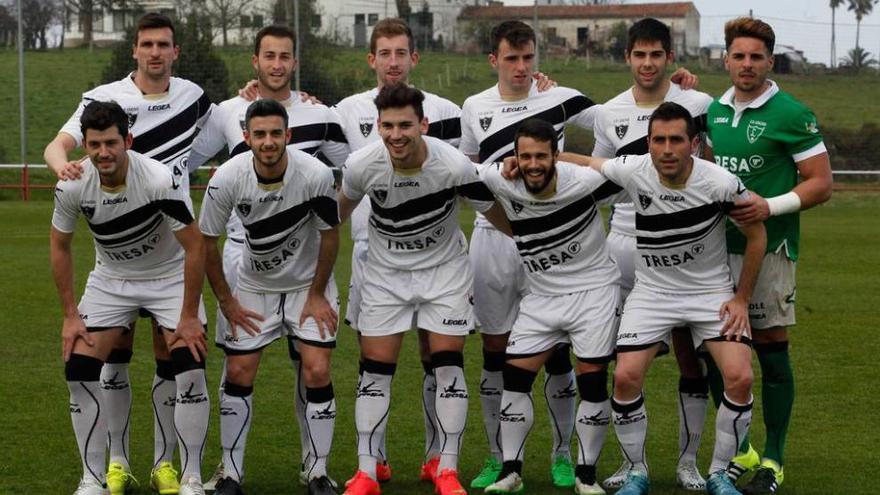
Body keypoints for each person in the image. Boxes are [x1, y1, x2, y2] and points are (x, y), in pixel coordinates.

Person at [43, 13, 213, 495]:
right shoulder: (100, 113)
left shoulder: (183, 124)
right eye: (146, 44)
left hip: (168, 271)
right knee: (83, 364)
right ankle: (98, 476)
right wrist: (70, 315)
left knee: (185, 359)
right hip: (112, 275)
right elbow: (60, 240)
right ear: (134, 49)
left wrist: (188, 316)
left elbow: (196, 243)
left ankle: (184, 473)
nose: (102, 152)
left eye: (164, 44)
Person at [571, 101, 766, 495]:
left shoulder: (720, 182)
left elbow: (757, 234)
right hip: (653, 292)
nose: (667, 149)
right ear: (648, 143)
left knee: (740, 377)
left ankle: (717, 475)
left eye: (676, 140)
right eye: (658, 140)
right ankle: (637, 471)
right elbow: (588, 165)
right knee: (625, 377)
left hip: (709, 293)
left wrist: (741, 298)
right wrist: (535, 157)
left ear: (694, 143)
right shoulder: (635, 169)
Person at [187, 24, 348, 490]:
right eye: (259, 134)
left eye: (276, 134)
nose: (268, 142)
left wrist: (318, 295)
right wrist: (227, 303)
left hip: (303, 286)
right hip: (251, 280)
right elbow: (208, 244)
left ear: (287, 133)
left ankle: (317, 469)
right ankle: (230, 471)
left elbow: (332, 236)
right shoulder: (226, 177)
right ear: (246, 134)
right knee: (239, 369)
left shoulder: (316, 173)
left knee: (316, 367)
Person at [336, 83, 511, 495]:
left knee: (448, 363)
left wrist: (532, 242)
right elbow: (336, 215)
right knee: (376, 371)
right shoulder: (362, 164)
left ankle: (445, 469)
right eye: (387, 126)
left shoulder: (452, 165)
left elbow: (495, 211)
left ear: (424, 125)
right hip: (384, 274)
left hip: (444, 272)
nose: (396, 135)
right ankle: (366, 472)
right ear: (378, 125)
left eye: (405, 125)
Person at [459, 20, 601, 489]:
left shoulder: (560, 98)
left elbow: (622, 118)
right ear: (493, 60)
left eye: (528, 59)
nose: (521, 68)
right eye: (511, 59)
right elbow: (467, 173)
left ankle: (562, 455)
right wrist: (498, 170)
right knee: (496, 350)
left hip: (553, 242)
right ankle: (499, 458)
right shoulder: (474, 106)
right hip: (494, 240)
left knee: (557, 350)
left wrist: (679, 91)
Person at [331, 18, 462, 482]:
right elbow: (318, 160)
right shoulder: (344, 111)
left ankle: (436, 459)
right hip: (373, 252)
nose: (392, 61)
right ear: (371, 59)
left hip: (435, 252)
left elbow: (465, 169)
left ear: (413, 57)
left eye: (400, 53)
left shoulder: (445, 111)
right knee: (373, 360)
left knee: (436, 357)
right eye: (384, 53)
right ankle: (375, 462)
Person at [705, 17, 832, 495]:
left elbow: (822, 183)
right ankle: (740, 452)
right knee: (719, 356)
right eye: (738, 56)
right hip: (715, 254)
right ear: (726, 59)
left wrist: (770, 206)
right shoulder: (713, 112)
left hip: (770, 251)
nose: (746, 64)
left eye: (756, 57)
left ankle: (774, 456)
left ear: (770, 62)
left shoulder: (791, 113)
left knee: (773, 354)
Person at [590, 18, 714, 491]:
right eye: (639, 55)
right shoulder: (609, 112)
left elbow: (715, 169)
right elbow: (601, 179)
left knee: (689, 359)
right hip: (622, 245)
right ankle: (631, 462)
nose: (647, 63)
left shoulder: (698, 104)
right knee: (620, 362)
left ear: (669, 56)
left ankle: (688, 463)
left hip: (684, 248)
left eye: (656, 55)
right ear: (627, 57)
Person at [478, 118, 624, 495]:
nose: (533, 164)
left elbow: (631, 171)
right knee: (514, 376)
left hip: (593, 292)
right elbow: (460, 175)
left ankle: (585, 474)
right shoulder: (500, 179)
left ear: (555, 155)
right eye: (525, 156)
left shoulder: (583, 181)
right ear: (514, 157)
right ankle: (511, 471)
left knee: (592, 378)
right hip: (541, 296)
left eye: (541, 156)